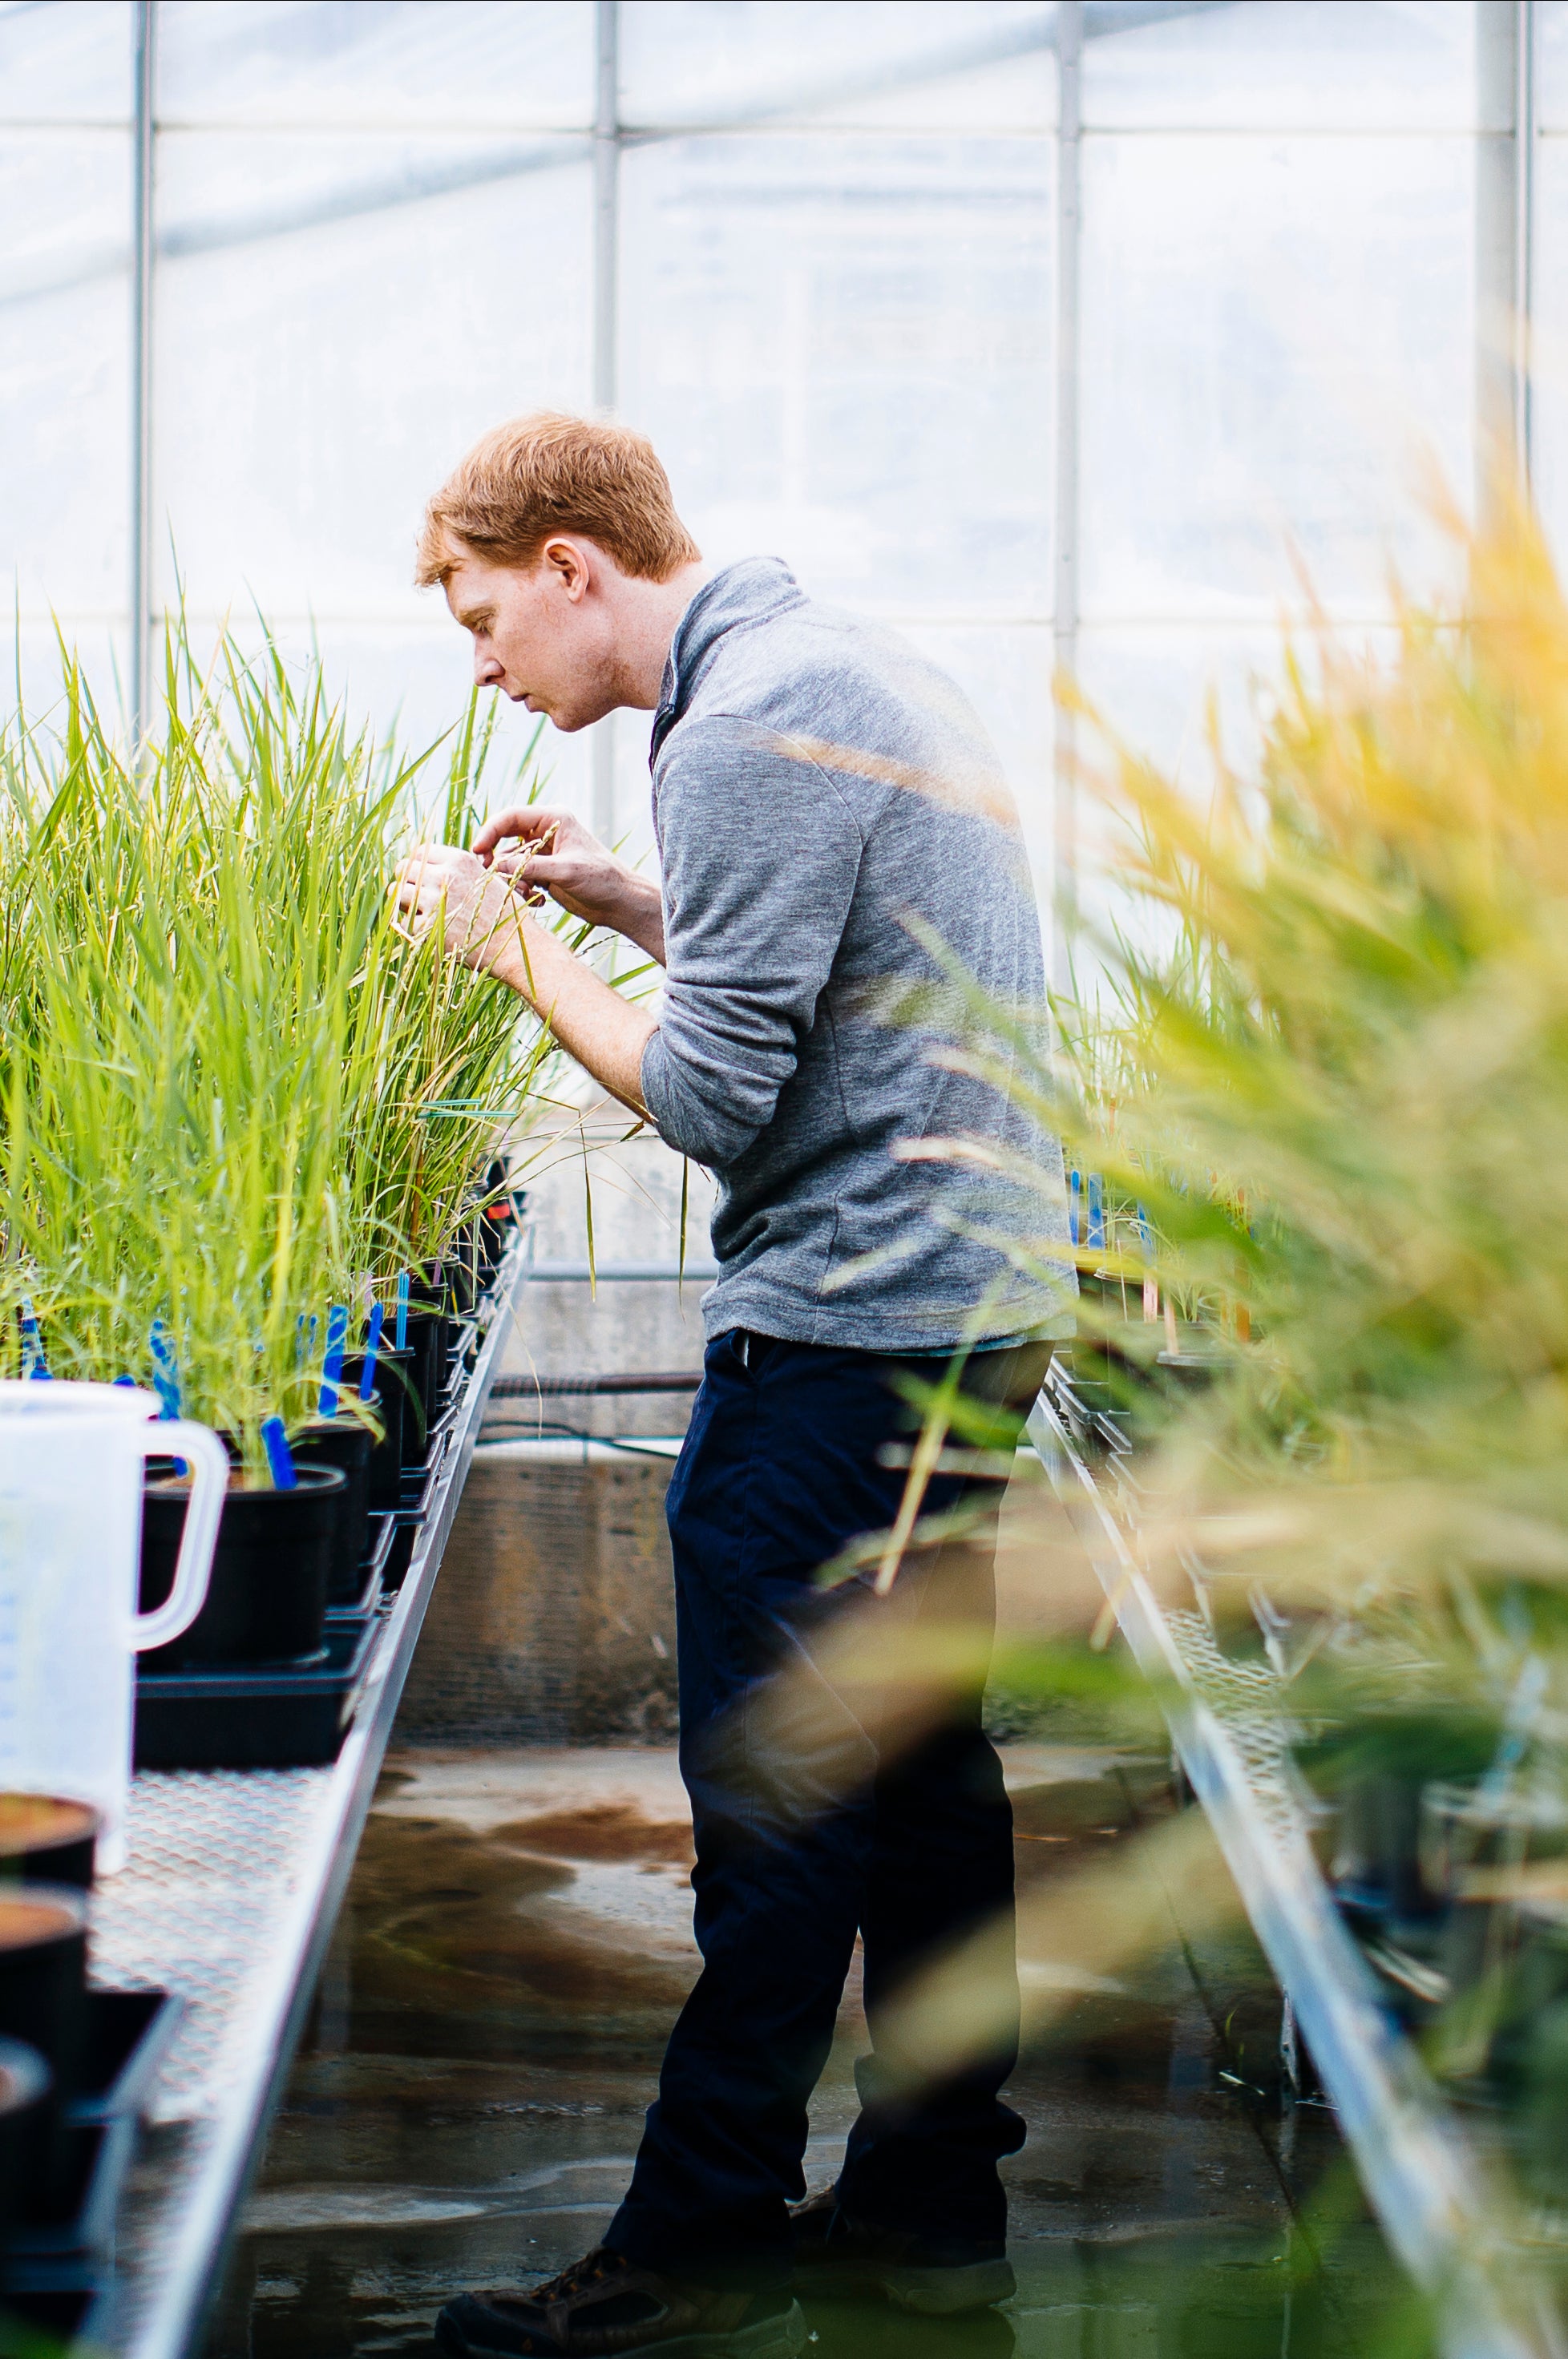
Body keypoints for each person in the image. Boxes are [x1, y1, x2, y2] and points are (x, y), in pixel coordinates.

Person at [395, 412, 1073, 2359]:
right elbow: (828, 965)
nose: (483, 661)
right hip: (962, 1322)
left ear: (572, 566)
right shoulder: (831, 667)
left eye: (480, 611)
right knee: (925, 1778)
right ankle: (934, 2206)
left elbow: (710, 1092)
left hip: (847, 1333)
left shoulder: (749, 721)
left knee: (777, 1799)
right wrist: (625, 902)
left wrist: (515, 945)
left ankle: (696, 2244)